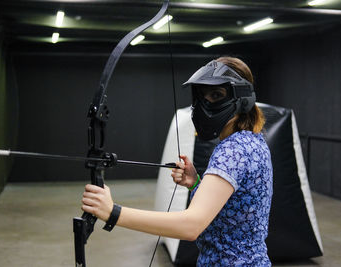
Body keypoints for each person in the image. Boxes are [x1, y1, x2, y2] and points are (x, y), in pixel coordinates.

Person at [81, 56, 273, 266]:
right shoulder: (253, 141)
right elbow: (233, 208)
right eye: (201, 96)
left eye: (216, 95)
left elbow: (191, 226)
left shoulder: (233, 150)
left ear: (242, 98)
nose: (205, 104)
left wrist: (113, 213)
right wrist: (196, 183)